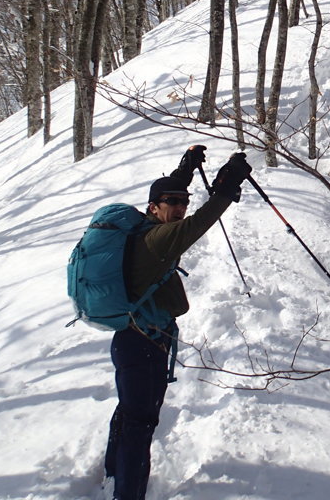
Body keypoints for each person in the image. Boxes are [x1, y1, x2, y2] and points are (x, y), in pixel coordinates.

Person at [103, 146, 252, 500]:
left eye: (183, 201)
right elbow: (198, 223)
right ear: (153, 207)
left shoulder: (143, 227)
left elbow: (172, 204)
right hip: (144, 344)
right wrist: (227, 191)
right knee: (141, 424)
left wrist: (185, 170)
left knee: (130, 412)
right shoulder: (159, 239)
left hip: (133, 338)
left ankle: (113, 473)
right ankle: (127, 493)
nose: (181, 207)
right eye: (173, 203)